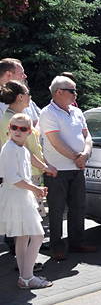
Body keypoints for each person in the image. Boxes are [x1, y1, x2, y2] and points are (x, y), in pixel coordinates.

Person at [40, 75, 96, 260]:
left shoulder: (77, 112)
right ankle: (56, 246)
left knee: (78, 206)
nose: (76, 94)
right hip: (58, 170)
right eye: (72, 91)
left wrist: (85, 154)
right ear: (59, 92)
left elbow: (87, 136)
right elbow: (56, 142)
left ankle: (77, 242)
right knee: (56, 209)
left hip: (77, 168)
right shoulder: (48, 113)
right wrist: (76, 157)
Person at [0, 113, 54, 288]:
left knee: (23, 237)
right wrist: (36, 189)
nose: (17, 131)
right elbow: (12, 179)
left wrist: (37, 184)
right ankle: (28, 276)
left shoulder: (20, 149)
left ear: (29, 132)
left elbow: (27, 165)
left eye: (22, 129)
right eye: (14, 127)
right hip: (16, 197)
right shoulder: (9, 149)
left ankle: (25, 277)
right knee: (38, 236)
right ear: (9, 129)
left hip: (22, 196)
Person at [0, 58, 41, 124]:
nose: (25, 76)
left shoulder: (25, 97)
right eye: (21, 73)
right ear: (8, 75)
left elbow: (40, 119)